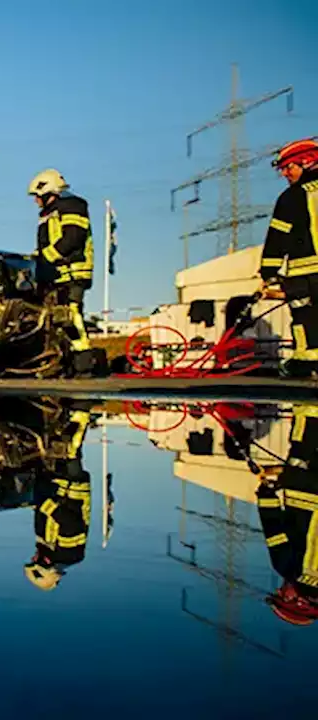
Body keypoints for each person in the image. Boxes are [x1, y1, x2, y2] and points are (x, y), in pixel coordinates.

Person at [259, 139, 318, 379]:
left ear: (308, 162)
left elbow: (277, 238)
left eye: (289, 167)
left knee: (304, 316)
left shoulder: (292, 197)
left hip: (304, 275)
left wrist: (268, 274)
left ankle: (305, 362)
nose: (285, 173)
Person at [257, 402, 318, 625]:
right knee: (306, 432)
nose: (280, 590)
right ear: (298, 601)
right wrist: (268, 488)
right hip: (305, 480)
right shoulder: (287, 567)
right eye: (282, 596)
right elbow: (272, 524)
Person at [28, 169, 94, 373]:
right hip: (57, 273)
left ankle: (83, 365)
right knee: (55, 318)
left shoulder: (72, 206)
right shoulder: (49, 213)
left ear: (49, 192)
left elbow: (73, 239)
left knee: (71, 316)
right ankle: (64, 364)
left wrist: (45, 256)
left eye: (37, 196)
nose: (35, 201)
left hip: (73, 272)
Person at [24, 410, 92, 591]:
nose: (33, 558)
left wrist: (33, 501)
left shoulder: (45, 547)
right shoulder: (70, 554)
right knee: (71, 451)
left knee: (50, 448)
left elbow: (43, 518)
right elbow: (70, 523)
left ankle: (57, 415)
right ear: (45, 565)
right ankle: (81, 415)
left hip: (55, 489)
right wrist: (43, 504)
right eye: (35, 562)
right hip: (71, 488)